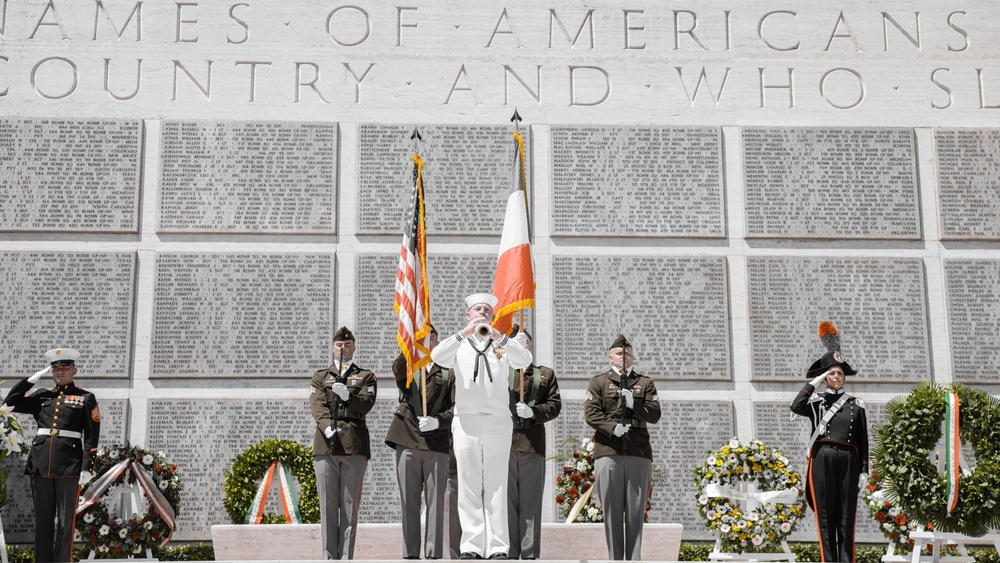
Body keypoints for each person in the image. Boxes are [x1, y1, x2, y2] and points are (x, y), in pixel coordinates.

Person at [430, 293, 532, 560]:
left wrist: (502, 336)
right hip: (467, 420)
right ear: (468, 315)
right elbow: (438, 357)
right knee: (469, 482)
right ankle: (472, 545)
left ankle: (498, 546)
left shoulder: (501, 343)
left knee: (497, 483)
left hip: (498, 420)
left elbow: (524, 361)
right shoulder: (459, 344)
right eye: (478, 310)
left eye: (487, 310)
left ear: (493, 316)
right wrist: (464, 332)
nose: (483, 314)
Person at [3, 348, 100, 563]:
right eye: (56, 369)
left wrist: (87, 467)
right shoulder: (41, 395)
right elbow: (9, 404)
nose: (60, 373)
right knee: (43, 523)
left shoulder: (85, 398)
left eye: (65, 368)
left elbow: (92, 436)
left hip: (69, 466)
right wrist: (30, 380)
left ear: (74, 370)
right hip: (40, 464)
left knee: (65, 525)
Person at [790, 321, 868, 563]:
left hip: (849, 461)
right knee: (825, 516)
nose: (837, 377)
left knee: (846, 517)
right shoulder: (817, 402)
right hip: (821, 457)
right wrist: (815, 381)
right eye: (832, 373)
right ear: (826, 377)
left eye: (840, 373)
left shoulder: (856, 404)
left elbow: (863, 440)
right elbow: (796, 406)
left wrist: (864, 469)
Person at [584, 334, 661, 561]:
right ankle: (615, 559)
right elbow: (591, 413)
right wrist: (611, 427)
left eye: (627, 353)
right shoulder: (598, 382)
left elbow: (655, 414)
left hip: (638, 452)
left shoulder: (645, 383)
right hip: (609, 452)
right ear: (610, 357)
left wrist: (633, 403)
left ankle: (634, 559)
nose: (623, 357)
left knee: (636, 512)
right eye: (619, 353)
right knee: (612, 512)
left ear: (633, 356)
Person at [386, 325, 456, 560]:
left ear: (439, 343)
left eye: (432, 338)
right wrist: (409, 348)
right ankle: (410, 553)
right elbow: (397, 371)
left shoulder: (449, 372)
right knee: (409, 499)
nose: (428, 342)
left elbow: (457, 407)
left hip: (436, 442)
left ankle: (433, 553)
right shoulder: (409, 368)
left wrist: (439, 422)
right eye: (423, 339)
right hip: (407, 436)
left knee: (436, 501)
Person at [309, 327, 378, 560]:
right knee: (328, 505)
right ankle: (329, 557)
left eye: (348, 345)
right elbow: (317, 404)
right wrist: (326, 425)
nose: (343, 349)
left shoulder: (366, 375)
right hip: (326, 443)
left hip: (354, 444)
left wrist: (348, 396)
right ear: (332, 347)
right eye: (339, 345)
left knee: (350, 506)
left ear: (354, 348)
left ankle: (346, 557)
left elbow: (367, 403)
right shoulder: (320, 376)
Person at [506, 328, 561, 560]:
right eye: (514, 343)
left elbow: (555, 405)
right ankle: (508, 552)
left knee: (530, 504)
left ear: (530, 346)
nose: (520, 346)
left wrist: (533, 412)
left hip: (532, 445)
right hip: (504, 446)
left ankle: (528, 554)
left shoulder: (545, 374)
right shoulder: (500, 373)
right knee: (505, 505)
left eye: (524, 342)